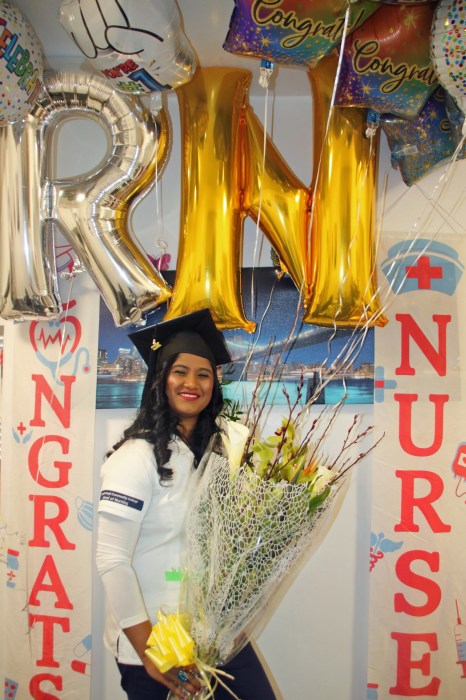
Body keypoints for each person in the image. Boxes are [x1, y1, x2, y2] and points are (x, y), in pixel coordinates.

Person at [96, 309, 277, 700]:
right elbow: (111, 559)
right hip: (159, 645)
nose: (191, 383)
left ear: (215, 384)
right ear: (161, 380)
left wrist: (231, 618)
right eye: (180, 372)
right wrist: (151, 653)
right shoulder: (136, 457)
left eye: (203, 374)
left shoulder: (216, 456)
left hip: (214, 636)